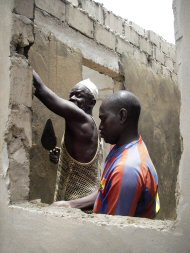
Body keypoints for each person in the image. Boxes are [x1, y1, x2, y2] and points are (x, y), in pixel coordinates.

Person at [55, 90, 160, 219]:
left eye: (103, 119)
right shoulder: (121, 147)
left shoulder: (126, 170)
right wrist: (70, 204)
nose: (100, 127)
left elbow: (113, 234)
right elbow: (104, 191)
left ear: (122, 116)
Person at [33, 70, 102, 205]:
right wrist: (63, 160)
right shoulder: (90, 126)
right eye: (70, 95)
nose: (72, 98)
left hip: (78, 206)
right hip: (86, 205)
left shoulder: (83, 121)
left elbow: (40, 89)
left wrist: (22, 53)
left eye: (78, 95)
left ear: (91, 103)